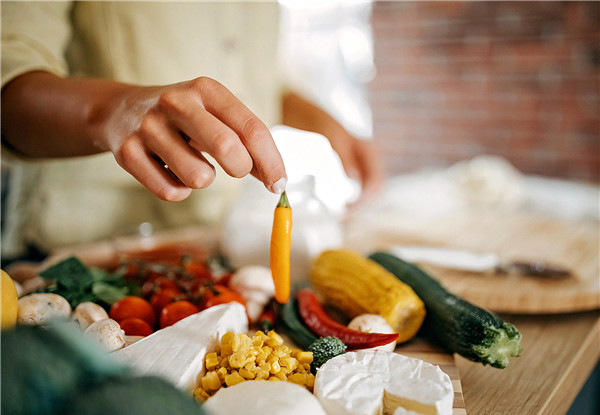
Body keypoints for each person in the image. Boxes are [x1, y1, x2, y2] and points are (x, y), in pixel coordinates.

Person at [1, 1, 383, 263]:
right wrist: (113, 110)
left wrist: (326, 124)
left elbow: (252, 82)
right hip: (80, 257)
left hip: (215, 249)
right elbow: (10, 79)